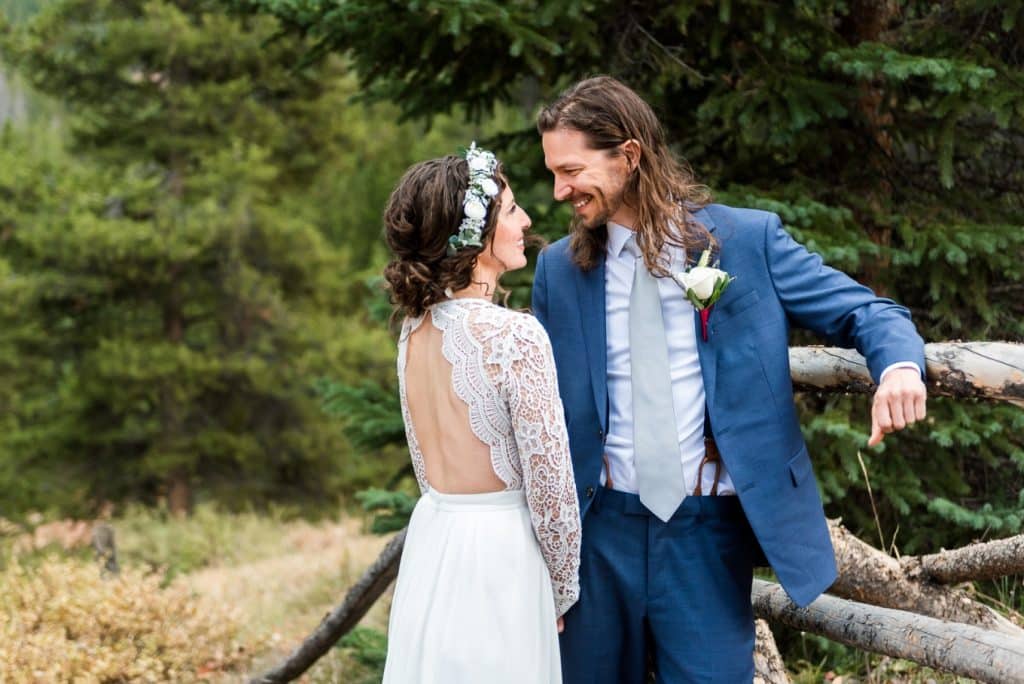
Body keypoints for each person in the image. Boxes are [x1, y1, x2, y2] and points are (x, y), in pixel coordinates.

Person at [531, 76, 928, 683]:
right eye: (554, 173)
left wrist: (899, 368)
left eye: (572, 170)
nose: (560, 191)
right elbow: (538, 411)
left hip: (705, 536)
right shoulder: (558, 270)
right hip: (597, 533)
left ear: (630, 156)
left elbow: (867, 311)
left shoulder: (746, 240)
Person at [380, 144, 581, 684]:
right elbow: (551, 484)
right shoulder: (515, 335)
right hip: (502, 556)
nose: (527, 221)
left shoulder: (412, 332)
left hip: (435, 539)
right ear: (475, 234)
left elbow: (425, 465)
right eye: (512, 211)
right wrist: (561, 588)